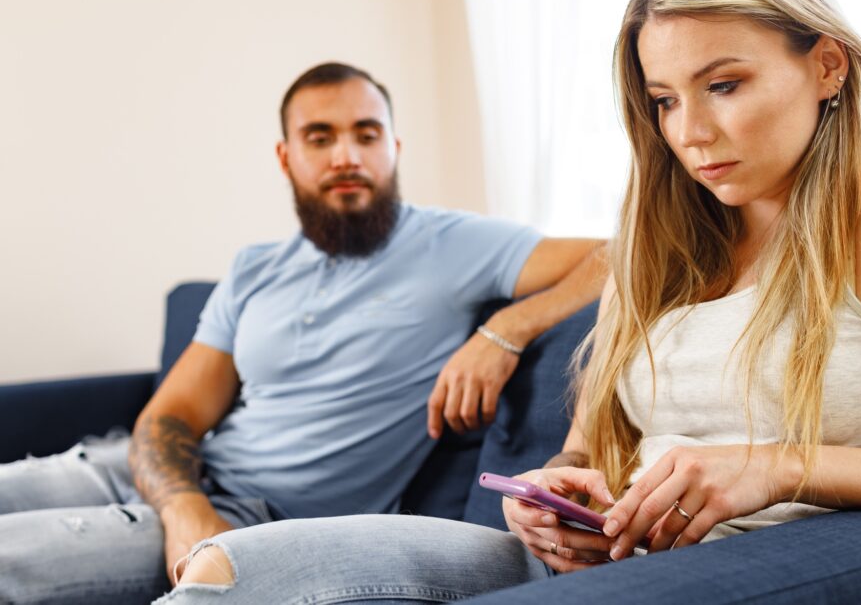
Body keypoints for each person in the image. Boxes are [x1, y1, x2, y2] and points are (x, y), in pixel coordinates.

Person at [161, 0, 861, 603]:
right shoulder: (662, 234)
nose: (690, 132)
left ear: (826, 64)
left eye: (724, 84)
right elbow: (594, 453)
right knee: (223, 569)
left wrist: (781, 462)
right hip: (601, 568)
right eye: (663, 100)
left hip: (751, 572)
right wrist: (551, 496)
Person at [0, 62, 607, 604]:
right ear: (286, 157)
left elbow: (622, 251)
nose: (347, 155)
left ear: (393, 148)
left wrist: (505, 329)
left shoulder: (453, 245)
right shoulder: (253, 268)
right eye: (320, 137)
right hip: (144, 477)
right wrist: (185, 505)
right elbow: (170, 418)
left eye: (366, 134)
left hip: (254, 518)